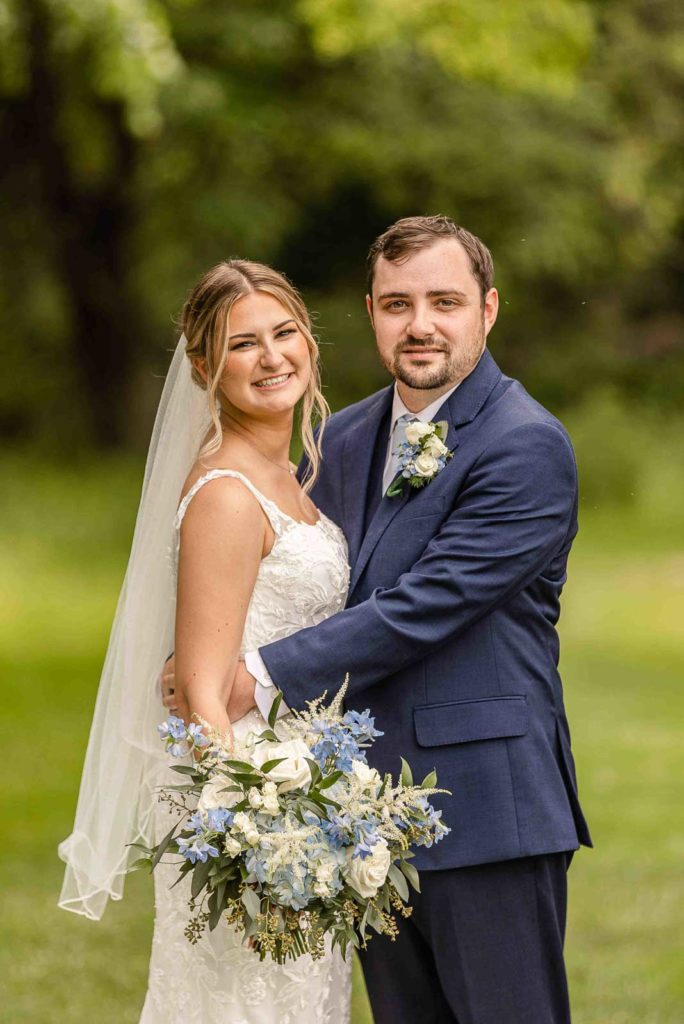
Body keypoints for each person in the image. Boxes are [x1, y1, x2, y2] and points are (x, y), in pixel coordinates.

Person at [167, 215, 593, 1023]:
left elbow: (425, 604)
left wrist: (253, 673)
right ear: (370, 312)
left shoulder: (526, 444)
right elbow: (288, 570)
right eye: (398, 304)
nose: (421, 324)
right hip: (360, 818)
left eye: (445, 301)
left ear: (488, 310)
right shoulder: (344, 435)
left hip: (488, 806)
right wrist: (204, 653)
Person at [58, 260, 352, 1024]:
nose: (273, 357)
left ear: (311, 344)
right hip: (254, 809)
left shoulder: (289, 473)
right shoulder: (227, 494)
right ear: (204, 367)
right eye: (243, 343)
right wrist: (249, 830)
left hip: (309, 796)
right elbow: (198, 692)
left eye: (285, 333)